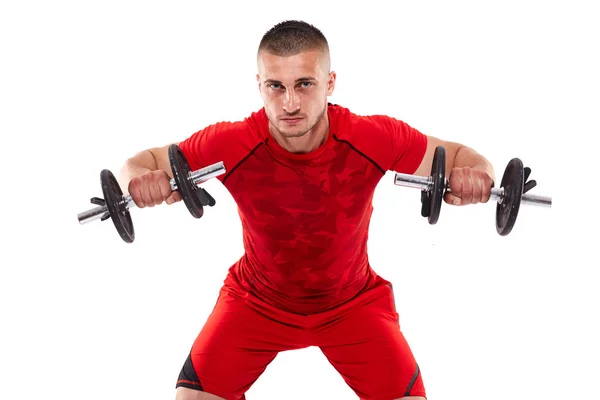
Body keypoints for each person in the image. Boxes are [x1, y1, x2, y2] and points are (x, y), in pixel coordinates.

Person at [119, 20, 495, 400]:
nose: (290, 103)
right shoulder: (233, 143)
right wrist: (140, 181)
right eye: (276, 86)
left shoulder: (371, 138)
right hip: (257, 302)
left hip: (352, 304)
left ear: (330, 83)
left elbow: (462, 157)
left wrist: (477, 176)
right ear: (259, 85)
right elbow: (144, 162)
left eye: (304, 84)